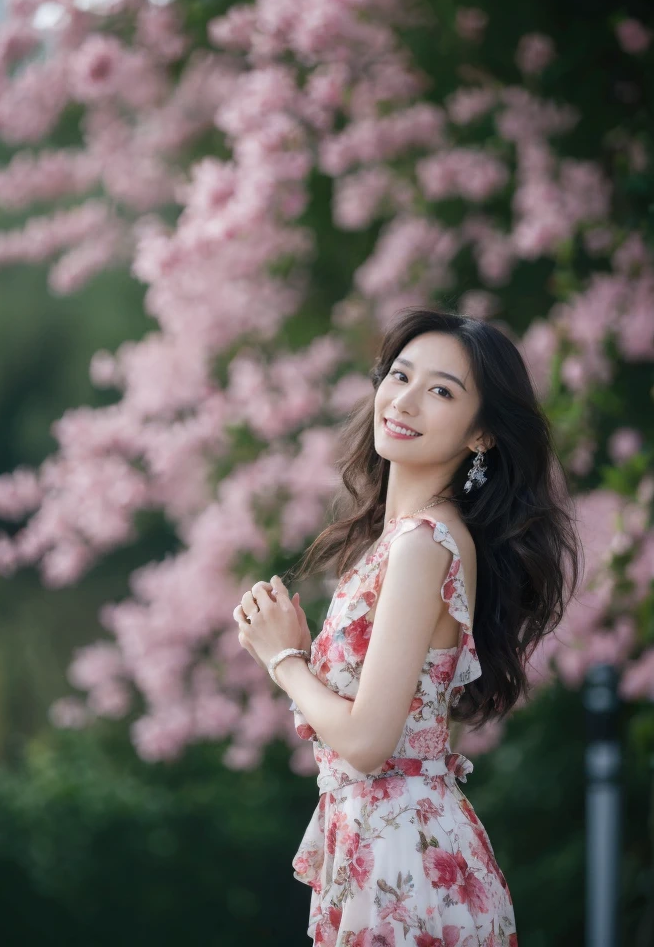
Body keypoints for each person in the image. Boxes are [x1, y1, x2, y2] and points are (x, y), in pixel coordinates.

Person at [234, 306, 583, 946]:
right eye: (400, 376)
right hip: (388, 850)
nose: (406, 400)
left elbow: (368, 742)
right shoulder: (404, 540)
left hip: (402, 864)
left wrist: (284, 661)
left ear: (481, 435)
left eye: (442, 391)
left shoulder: (426, 544)